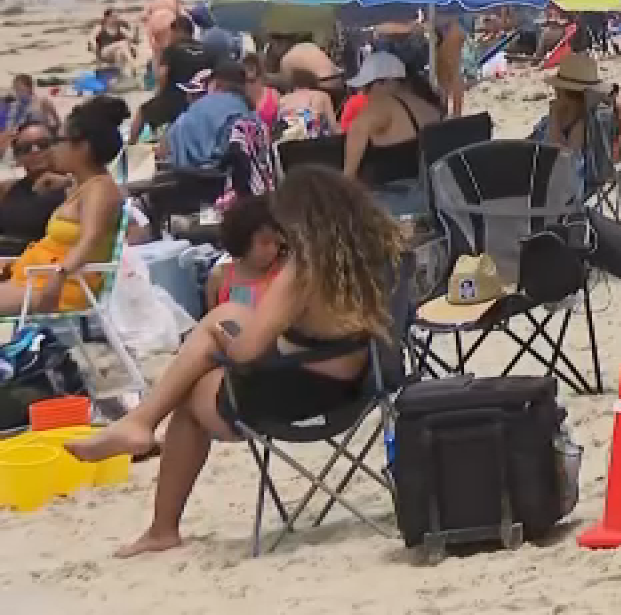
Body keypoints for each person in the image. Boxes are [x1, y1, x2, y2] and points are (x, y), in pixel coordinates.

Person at [67, 166, 406, 558]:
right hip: (363, 383)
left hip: (298, 396)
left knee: (194, 384)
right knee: (226, 316)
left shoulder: (305, 270)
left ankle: (159, 510)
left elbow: (247, 353)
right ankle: (140, 424)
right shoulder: (385, 253)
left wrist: (225, 339)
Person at [0, 97, 129, 315]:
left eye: (59, 140)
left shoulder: (100, 190)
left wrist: (58, 277)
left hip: (57, 287)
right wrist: (66, 181)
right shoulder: (87, 186)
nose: (54, 149)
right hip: (35, 277)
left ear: (83, 147)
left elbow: (90, 240)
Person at [341, 51, 444, 210]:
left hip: (397, 200)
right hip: (435, 193)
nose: (364, 94)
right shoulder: (426, 103)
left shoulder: (382, 106)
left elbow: (357, 129)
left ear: (384, 83)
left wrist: (345, 182)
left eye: (367, 87)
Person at [538, 54, 621, 167]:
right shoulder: (585, 106)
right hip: (615, 144)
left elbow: (611, 157)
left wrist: (555, 119)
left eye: (558, 91)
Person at [131, 15, 211, 142]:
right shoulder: (205, 49)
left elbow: (162, 75)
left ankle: (131, 146)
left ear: (178, 31)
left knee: (142, 112)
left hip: (175, 99)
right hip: (201, 101)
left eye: (171, 33)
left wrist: (160, 93)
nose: (171, 37)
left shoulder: (172, 49)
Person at [163, 61, 255, 170]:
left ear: (215, 83)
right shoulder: (250, 112)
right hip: (244, 178)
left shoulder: (202, 107)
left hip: (201, 178)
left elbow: (169, 143)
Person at [0, 121, 70, 257]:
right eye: (26, 148)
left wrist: (69, 183)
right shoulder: (7, 189)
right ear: (18, 157)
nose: (35, 151)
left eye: (43, 144)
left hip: (42, 269)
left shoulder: (74, 187)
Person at [204, 195, 285, 312]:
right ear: (242, 240)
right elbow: (211, 318)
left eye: (277, 243)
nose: (273, 250)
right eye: (265, 242)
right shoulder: (219, 277)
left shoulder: (283, 274)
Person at [241, 54, 280, 130]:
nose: (249, 69)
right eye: (247, 65)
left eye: (252, 66)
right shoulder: (239, 96)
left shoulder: (274, 95)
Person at [93, 7, 135, 74]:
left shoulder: (120, 28)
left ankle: (121, 73)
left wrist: (133, 28)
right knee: (122, 43)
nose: (116, 19)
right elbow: (91, 39)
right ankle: (132, 63)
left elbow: (132, 38)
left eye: (117, 17)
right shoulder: (100, 28)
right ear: (107, 17)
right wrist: (94, 46)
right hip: (105, 52)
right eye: (114, 17)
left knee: (120, 52)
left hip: (116, 53)